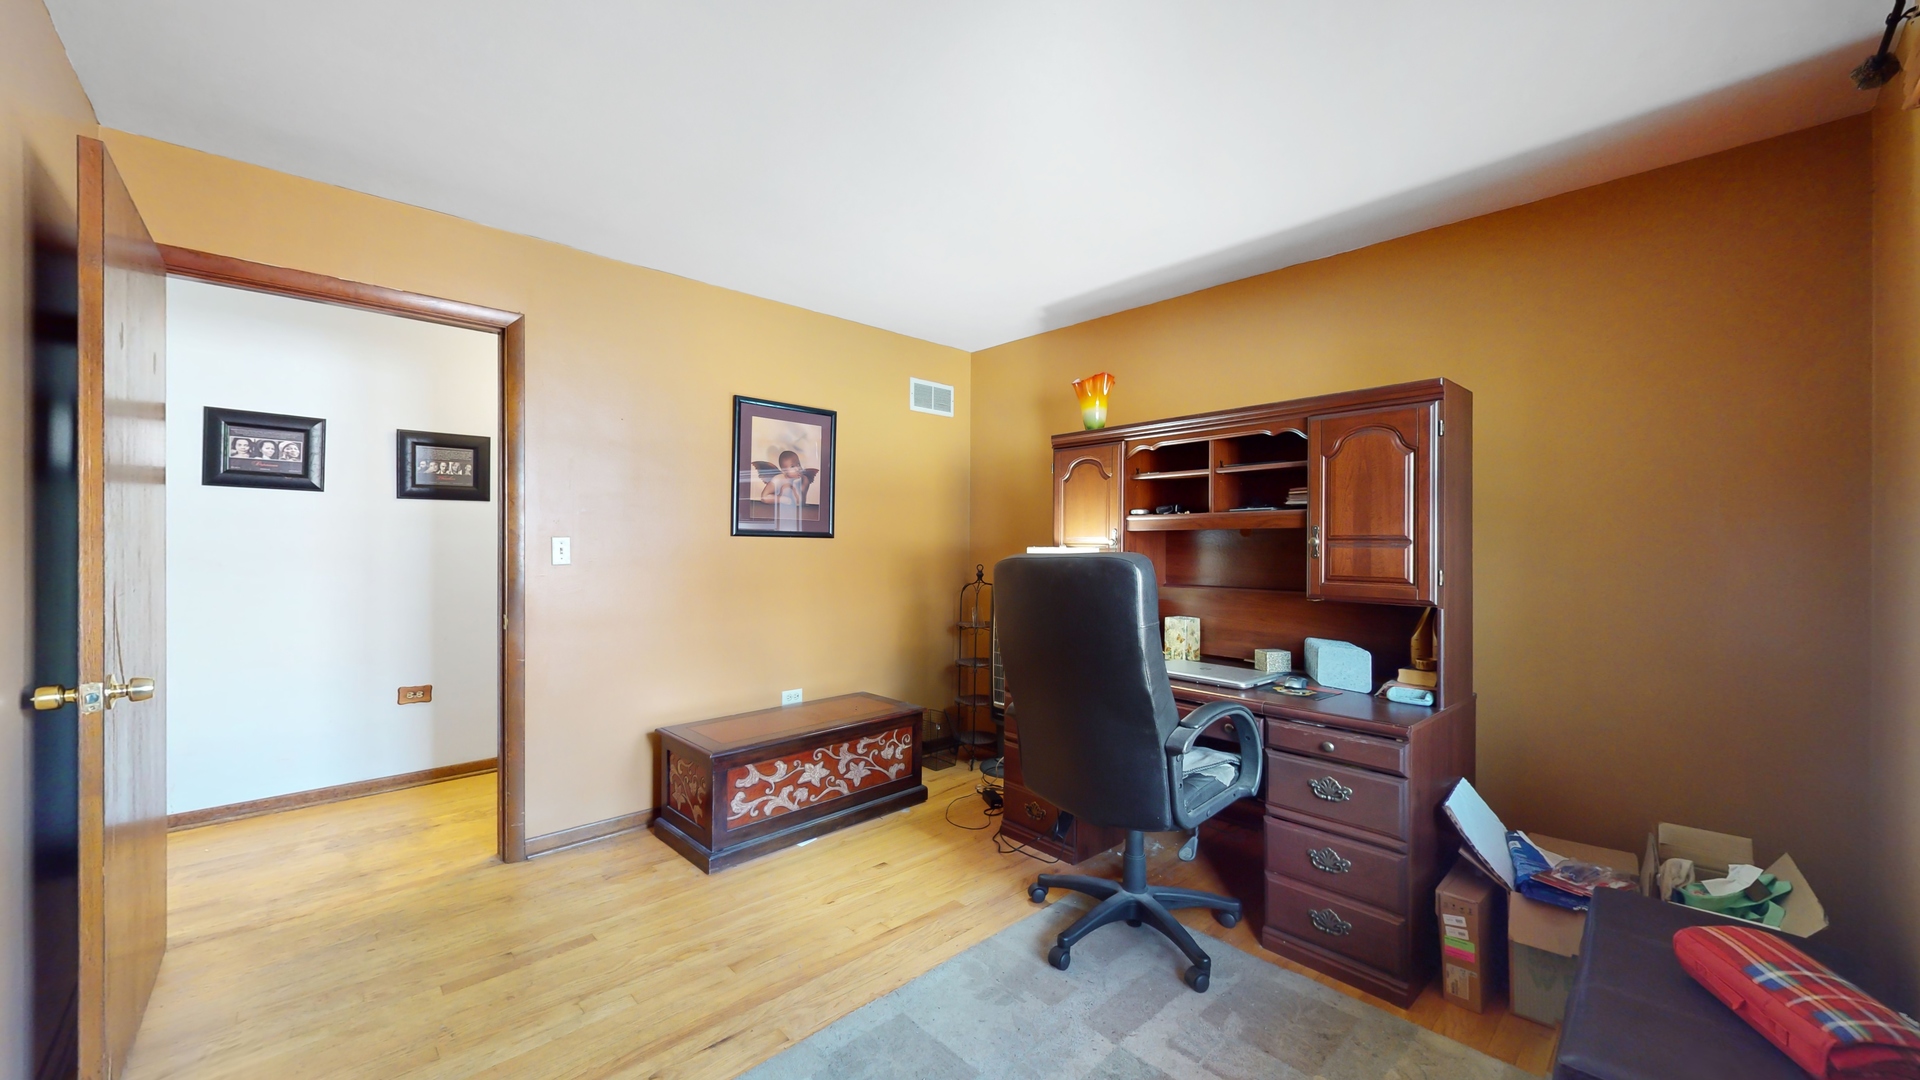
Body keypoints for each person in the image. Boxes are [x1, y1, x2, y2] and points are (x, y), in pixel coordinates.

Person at [758, 449, 814, 531]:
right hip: (777, 515)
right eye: (792, 466)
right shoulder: (778, 479)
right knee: (786, 487)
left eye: (798, 464)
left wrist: (795, 485)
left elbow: (800, 502)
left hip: (797, 517)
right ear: (784, 471)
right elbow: (764, 497)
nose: (797, 468)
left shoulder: (804, 479)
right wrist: (782, 499)